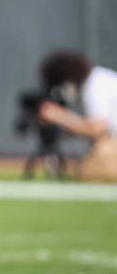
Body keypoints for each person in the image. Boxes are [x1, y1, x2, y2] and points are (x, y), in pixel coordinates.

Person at [36, 50, 117, 181]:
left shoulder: (96, 85)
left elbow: (96, 130)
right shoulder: (96, 81)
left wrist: (59, 116)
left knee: (94, 167)